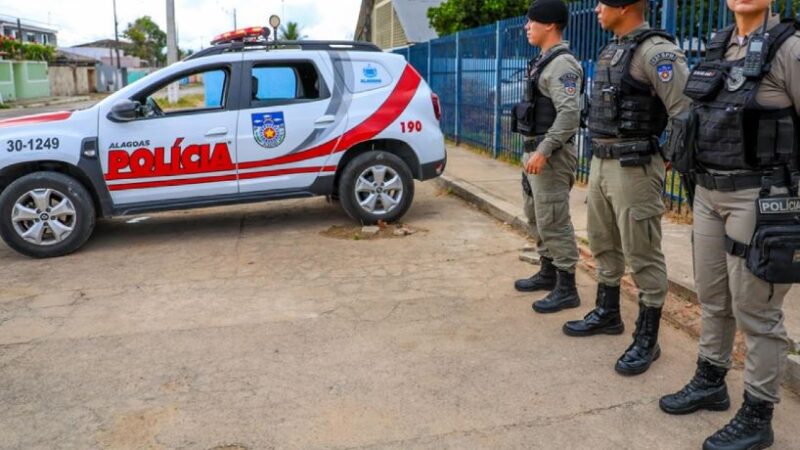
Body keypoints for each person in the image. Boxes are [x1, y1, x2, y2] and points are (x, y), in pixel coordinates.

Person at [659, 1, 800, 448]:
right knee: (713, 297)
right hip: (707, 192)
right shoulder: (719, 45)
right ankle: (710, 381)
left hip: (758, 197)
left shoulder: (790, 48)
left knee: (757, 311)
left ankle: (758, 415)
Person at [560, 0, 690, 376]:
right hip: (602, 161)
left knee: (642, 251)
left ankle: (648, 339)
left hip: (635, 166)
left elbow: (684, 111)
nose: (598, 9)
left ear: (627, 5)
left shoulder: (656, 51)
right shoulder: (613, 48)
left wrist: (665, 155)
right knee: (603, 241)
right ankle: (608, 312)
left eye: (604, 2)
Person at [513, 0, 584, 314]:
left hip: (551, 155)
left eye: (532, 21)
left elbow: (569, 115)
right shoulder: (543, 61)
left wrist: (543, 150)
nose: (527, 27)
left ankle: (567, 288)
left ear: (550, 25)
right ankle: (548, 272)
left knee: (554, 219)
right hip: (535, 150)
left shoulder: (563, 65)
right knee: (537, 214)